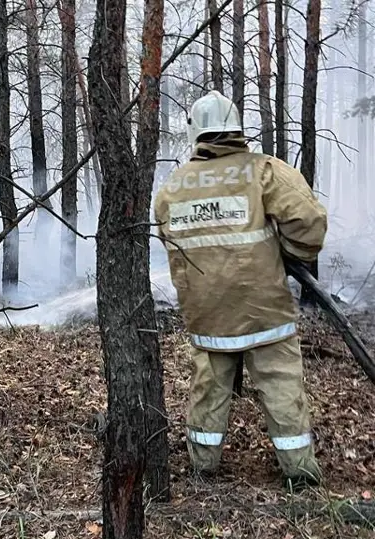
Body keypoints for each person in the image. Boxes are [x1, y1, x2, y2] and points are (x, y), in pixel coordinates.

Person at [153, 90, 328, 490]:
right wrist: (287, 252)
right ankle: (298, 472)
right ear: (236, 128)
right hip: (264, 307)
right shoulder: (264, 170)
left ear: (197, 132)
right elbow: (309, 223)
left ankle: (202, 466)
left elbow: (171, 240)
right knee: (281, 383)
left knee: (208, 388)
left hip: (207, 311)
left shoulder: (173, 187)